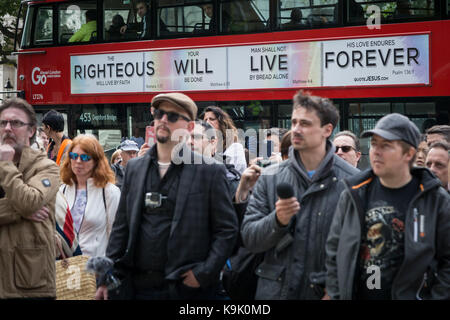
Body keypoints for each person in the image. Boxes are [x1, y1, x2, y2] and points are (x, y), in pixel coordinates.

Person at [95, 92, 238, 300]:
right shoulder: (135, 168)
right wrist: (107, 278)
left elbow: (227, 230)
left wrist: (203, 273)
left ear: (189, 128)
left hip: (187, 292)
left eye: (172, 117)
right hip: (138, 289)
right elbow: (121, 228)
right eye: (159, 113)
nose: (163, 120)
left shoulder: (210, 171)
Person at [240, 91, 359, 300]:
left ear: (327, 130)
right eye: (294, 122)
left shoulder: (354, 181)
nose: (296, 129)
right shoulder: (269, 177)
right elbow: (250, 239)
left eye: (305, 123)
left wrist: (337, 289)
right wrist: (277, 220)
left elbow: (363, 251)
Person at [325, 113, 450, 300]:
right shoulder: (353, 193)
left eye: (386, 145)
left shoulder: (435, 199)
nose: (376, 151)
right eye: (374, 144)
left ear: (409, 153)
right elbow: (334, 253)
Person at [0, 98, 60, 299]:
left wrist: (6, 165)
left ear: (32, 130)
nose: (7, 128)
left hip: (30, 284)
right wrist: (21, 211)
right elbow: (26, 206)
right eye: (3, 123)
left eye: (16, 123)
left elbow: (29, 202)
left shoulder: (46, 167)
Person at [59, 134, 121, 257]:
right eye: (74, 156)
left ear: (96, 161)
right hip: (68, 269)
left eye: (85, 157)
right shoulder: (62, 190)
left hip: (97, 268)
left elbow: (116, 236)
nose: (78, 161)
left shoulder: (109, 192)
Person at [201, 106, 247, 174]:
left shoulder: (235, 147)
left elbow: (233, 173)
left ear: (221, 122)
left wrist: (214, 155)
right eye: (205, 120)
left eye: (212, 119)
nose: (207, 122)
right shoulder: (202, 144)